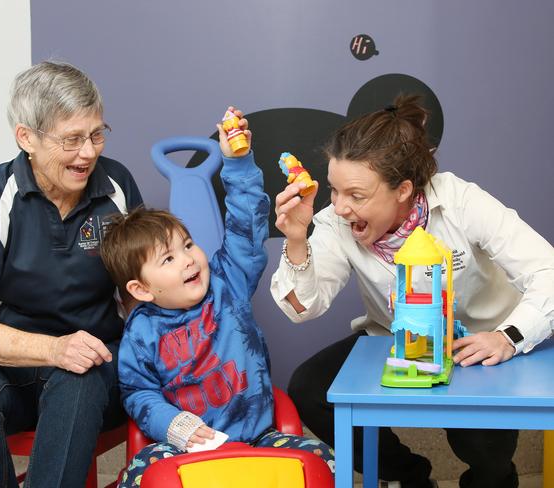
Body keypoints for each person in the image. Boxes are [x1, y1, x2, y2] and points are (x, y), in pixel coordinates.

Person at [270, 94, 554, 488]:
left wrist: (509, 336)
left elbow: (548, 270)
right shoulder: (336, 222)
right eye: (334, 190)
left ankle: (494, 479)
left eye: (356, 195)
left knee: (482, 447)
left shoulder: (459, 201)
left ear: (403, 190)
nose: (339, 207)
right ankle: (410, 477)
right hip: (394, 338)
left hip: (476, 342)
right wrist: (298, 238)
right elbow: (304, 307)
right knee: (311, 388)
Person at [0, 61, 143, 487]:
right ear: (27, 137)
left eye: (97, 134)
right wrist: (54, 349)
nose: (89, 152)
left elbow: (141, 292)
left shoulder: (116, 185)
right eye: (72, 139)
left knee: (79, 375)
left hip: (97, 366)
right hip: (20, 366)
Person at [100, 108, 335, 488]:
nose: (190, 259)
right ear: (141, 289)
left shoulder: (229, 281)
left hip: (260, 439)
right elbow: (138, 392)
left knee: (323, 465)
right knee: (140, 474)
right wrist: (173, 425)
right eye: (169, 259)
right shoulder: (141, 331)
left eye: (189, 245)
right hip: (185, 451)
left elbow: (245, 222)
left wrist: (238, 161)